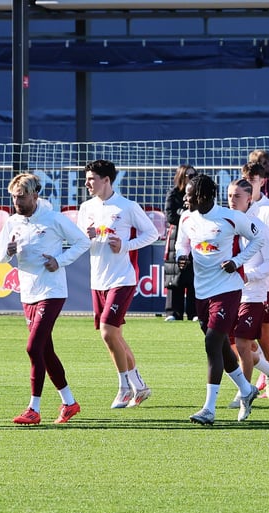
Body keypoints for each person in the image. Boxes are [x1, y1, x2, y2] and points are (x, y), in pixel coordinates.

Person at [0, 173, 91, 425]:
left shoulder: (53, 218)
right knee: (45, 350)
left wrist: (60, 261)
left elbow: (82, 241)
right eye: (14, 197)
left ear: (35, 195)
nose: (17, 201)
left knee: (33, 347)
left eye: (22, 196)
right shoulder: (12, 221)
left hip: (52, 291)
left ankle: (33, 409)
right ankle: (69, 403)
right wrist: (8, 251)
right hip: (28, 292)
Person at [175, 173, 263, 425]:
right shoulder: (187, 218)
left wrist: (237, 262)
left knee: (212, 342)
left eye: (189, 195)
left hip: (227, 290)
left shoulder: (231, 217)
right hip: (201, 290)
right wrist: (183, 256)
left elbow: (258, 239)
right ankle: (247, 390)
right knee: (220, 345)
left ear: (203, 196)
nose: (185, 199)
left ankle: (209, 409)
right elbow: (183, 244)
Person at [77, 159, 159, 409]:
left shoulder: (127, 206)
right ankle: (140, 386)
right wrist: (86, 236)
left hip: (122, 278)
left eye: (91, 178)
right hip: (97, 279)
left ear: (106, 180)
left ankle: (124, 387)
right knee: (116, 337)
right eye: (87, 178)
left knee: (108, 333)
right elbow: (82, 241)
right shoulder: (86, 207)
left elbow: (152, 233)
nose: (87, 183)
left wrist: (126, 245)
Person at [224, 179, 269, 406]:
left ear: (250, 199)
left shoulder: (258, 226)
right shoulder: (225, 224)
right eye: (229, 195)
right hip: (229, 293)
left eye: (237, 196)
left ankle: (244, 392)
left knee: (242, 343)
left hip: (253, 294)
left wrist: (249, 275)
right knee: (236, 347)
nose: (232, 200)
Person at [242, 160, 269, 394]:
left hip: (266, 283)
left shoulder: (268, 211)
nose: (249, 184)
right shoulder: (240, 207)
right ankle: (267, 374)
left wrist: (258, 271)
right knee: (246, 337)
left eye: (253, 180)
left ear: (262, 181)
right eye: (245, 179)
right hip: (243, 284)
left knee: (264, 337)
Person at [163, 164, 197, 321]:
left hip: (196, 237)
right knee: (175, 275)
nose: (191, 178)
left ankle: (194, 312)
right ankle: (173, 312)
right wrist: (185, 217)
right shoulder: (173, 194)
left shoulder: (198, 195)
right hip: (176, 237)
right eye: (188, 175)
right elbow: (170, 216)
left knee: (193, 276)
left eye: (194, 175)